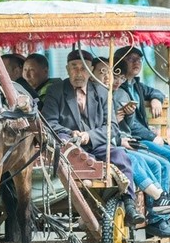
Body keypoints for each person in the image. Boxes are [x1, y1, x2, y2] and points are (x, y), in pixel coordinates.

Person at [41, 49, 145, 225]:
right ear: (67, 69)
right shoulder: (56, 91)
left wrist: (89, 136)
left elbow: (112, 127)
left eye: (83, 68)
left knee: (120, 155)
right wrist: (71, 134)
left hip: (98, 146)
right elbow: (48, 123)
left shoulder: (102, 92)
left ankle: (129, 203)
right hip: (69, 147)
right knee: (73, 155)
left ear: (90, 70)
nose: (79, 72)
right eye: (74, 67)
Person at [114, 46, 170, 229]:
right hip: (135, 139)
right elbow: (130, 126)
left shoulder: (135, 85)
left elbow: (155, 92)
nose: (137, 62)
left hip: (142, 137)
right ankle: (168, 211)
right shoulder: (119, 89)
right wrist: (151, 135)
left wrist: (155, 98)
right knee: (169, 158)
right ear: (120, 64)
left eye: (139, 59)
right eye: (131, 59)